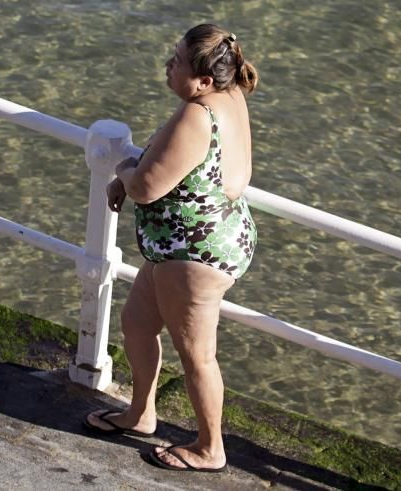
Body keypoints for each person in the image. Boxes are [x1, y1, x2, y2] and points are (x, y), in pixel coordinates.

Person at [83, 24, 259, 474]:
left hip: (194, 253)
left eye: (177, 61)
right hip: (198, 239)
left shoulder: (196, 116)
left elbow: (144, 187)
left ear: (203, 80)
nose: (168, 65)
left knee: (197, 354)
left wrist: (123, 169)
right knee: (137, 323)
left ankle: (210, 447)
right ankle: (140, 413)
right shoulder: (230, 95)